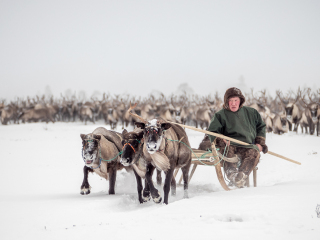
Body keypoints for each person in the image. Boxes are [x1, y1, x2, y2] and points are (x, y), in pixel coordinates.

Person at [207, 87, 268, 188]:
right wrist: (221, 138)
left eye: (236, 100)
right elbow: (212, 132)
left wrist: (260, 143)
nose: (233, 103)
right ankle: (232, 175)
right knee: (227, 152)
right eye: (230, 101)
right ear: (227, 102)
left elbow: (261, 126)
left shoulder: (252, 113)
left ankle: (241, 177)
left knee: (254, 153)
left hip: (248, 145)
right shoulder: (220, 115)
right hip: (229, 145)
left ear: (240, 101)